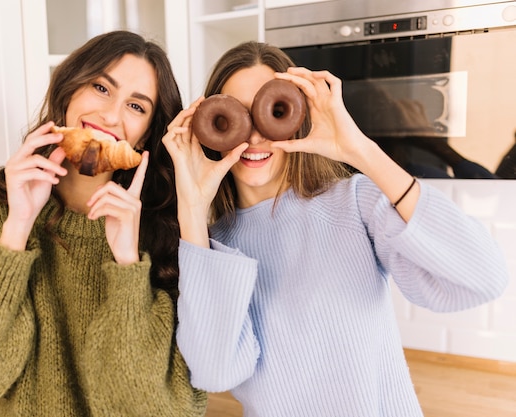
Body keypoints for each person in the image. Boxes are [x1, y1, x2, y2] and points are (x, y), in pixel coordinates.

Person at [162, 41, 509, 416]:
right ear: (211, 124)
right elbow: (216, 373)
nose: (254, 137)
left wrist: (360, 150)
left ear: (294, 116)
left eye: (270, 111)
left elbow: (484, 276)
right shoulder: (210, 247)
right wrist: (193, 209)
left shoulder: (356, 204)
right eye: (235, 116)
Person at [0, 30, 206, 416]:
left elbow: (155, 408)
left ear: (148, 133)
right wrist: (17, 228)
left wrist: (128, 263)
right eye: (101, 87)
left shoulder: (168, 225)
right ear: (68, 90)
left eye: (136, 106)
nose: (111, 115)